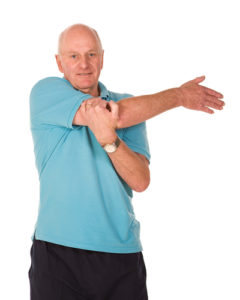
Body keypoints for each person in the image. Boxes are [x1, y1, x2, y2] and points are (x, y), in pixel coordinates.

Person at [28, 23, 225, 300]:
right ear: (59, 62)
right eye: (73, 56)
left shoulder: (131, 104)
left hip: (121, 253)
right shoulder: (46, 93)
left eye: (91, 55)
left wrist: (110, 140)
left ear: (102, 58)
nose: (84, 64)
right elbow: (112, 115)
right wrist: (179, 96)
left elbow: (140, 180)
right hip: (59, 252)